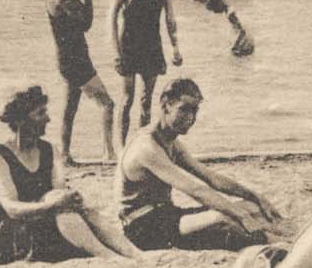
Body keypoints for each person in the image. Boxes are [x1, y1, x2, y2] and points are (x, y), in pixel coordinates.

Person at [0, 86, 142, 264]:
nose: (47, 119)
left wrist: (70, 200)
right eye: (40, 114)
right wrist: (54, 203)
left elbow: (59, 194)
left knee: (77, 205)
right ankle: (108, 256)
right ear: (20, 121)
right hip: (8, 233)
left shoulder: (49, 150)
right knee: (60, 201)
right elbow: (11, 208)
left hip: (41, 222)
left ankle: (133, 253)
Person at [115, 77, 280, 251]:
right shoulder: (147, 147)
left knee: (250, 207)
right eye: (184, 110)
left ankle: (272, 238)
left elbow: (211, 178)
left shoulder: (170, 142)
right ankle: (274, 242)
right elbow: (195, 190)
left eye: (194, 110)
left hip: (167, 215)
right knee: (223, 217)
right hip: (142, 228)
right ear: (166, 106)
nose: (190, 118)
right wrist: (240, 215)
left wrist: (255, 196)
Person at [111, 0, 184, 146]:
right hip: (129, 45)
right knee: (127, 100)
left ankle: (142, 147)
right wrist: (116, 52)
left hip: (152, 45)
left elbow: (169, 15)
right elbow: (111, 18)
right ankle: (120, 149)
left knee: (147, 101)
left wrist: (175, 47)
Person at [48, 0, 116, 164]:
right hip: (76, 60)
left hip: (67, 59)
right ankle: (108, 153)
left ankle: (65, 154)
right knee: (107, 104)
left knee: (70, 108)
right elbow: (86, 23)